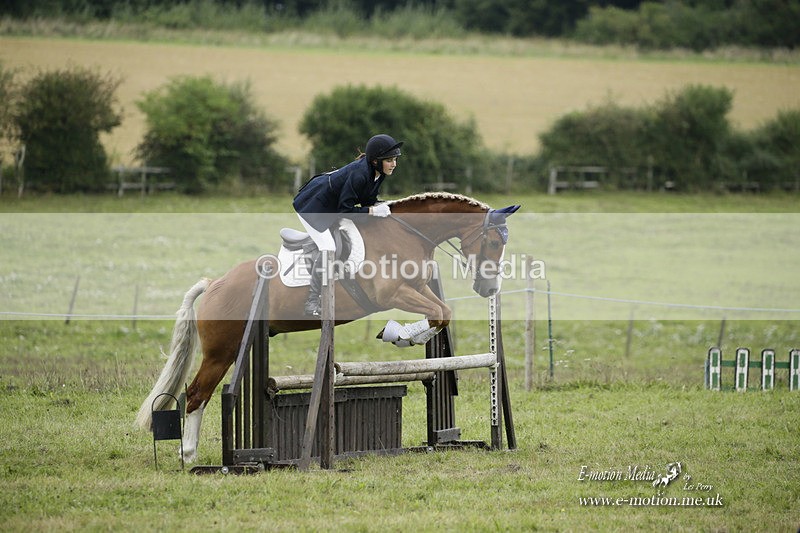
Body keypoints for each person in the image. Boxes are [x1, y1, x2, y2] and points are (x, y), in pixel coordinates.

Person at [293, 133, 403, 316]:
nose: (394, 164)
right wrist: (373, 211)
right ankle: (312, 301)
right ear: (375, 161)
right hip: (312, 207)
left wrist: (382, 206)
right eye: (389, 160)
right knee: (329, 247)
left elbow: (367, 200)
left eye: (395, 159)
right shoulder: (359, 175)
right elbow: (345, 211)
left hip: (333, 206)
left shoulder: (378, 174)